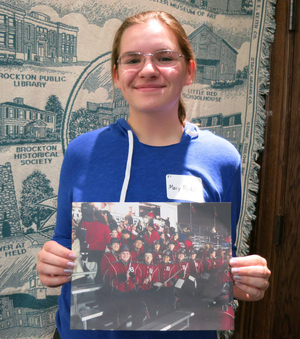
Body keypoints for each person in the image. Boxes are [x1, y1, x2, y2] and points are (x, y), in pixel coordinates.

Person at [37, 10, 271, 339]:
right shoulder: (81, 152)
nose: (148, 70)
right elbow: (63, 244)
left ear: (189, 70)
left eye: (164, 57)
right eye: (132, 59)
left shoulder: (221, 159)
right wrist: (50, 262)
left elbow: (217, 264)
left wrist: (243, 279)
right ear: (117, 75)